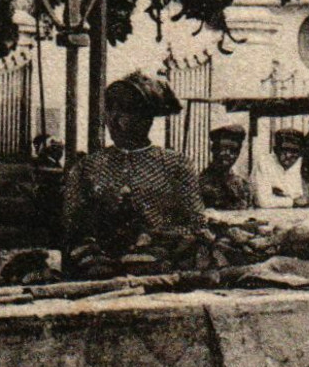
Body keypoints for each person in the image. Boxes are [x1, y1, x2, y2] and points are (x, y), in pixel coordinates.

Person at [63, 72, 204, 258]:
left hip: (159, 264)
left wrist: (154, 236)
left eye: (126, 109)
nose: (114, 118)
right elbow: (69, 225)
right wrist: (99, 209)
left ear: (146, 118)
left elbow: (196, 225)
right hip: (99, 263)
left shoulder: (176, 165)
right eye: (110, 108)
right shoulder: (87, 167)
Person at [198, 125, 253, 210]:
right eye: (223, 148)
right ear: (214, 149)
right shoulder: (201, 183)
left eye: (233, 150)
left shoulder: (242, 185)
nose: (228, 154)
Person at [254, 129, 308, 208]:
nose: (288, 155)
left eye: (294, 151)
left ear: (300, 153)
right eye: (284, 150)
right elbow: (263, 201)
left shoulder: (302, 165)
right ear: (276, 150)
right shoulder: (264, 164)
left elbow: (307, 198)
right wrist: (292, 201)